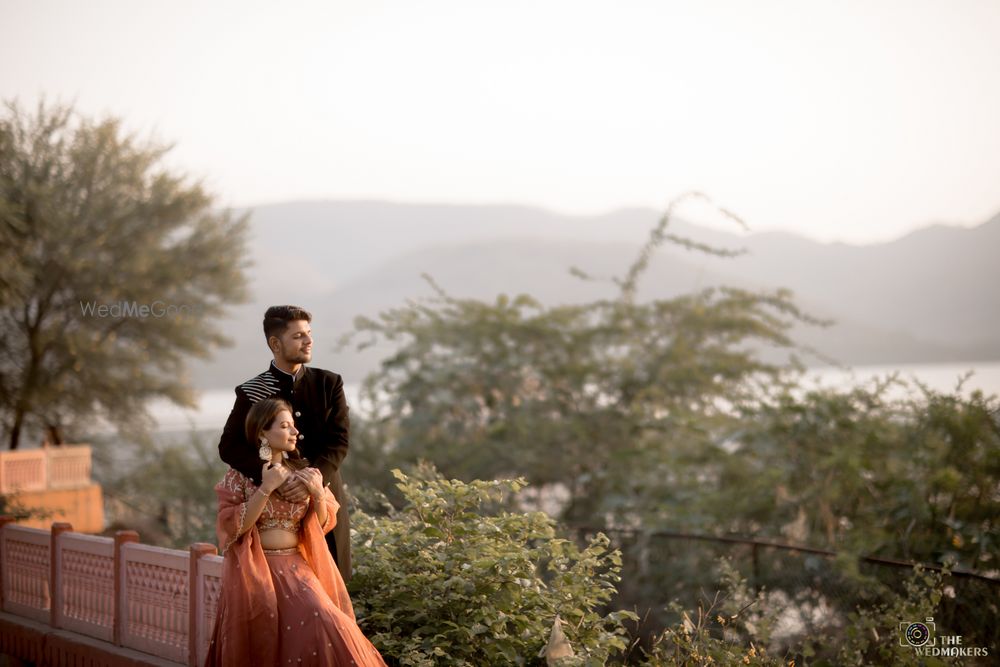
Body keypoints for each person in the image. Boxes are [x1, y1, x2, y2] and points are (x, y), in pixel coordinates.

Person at [206, 397, 386, 666]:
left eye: (294, 426)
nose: (295, 432)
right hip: (256, 571)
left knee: (325, 618)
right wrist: (266, 488)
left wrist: (316, 493)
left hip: (296, 567)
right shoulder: (240, 476)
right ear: (263, 433)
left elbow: (323, 524)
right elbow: (234, 528)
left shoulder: (306, 474)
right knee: (266, 641)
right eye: (285, 426)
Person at [219, 305, 352, 581]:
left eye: (309, 334)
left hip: (322, 498)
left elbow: (338, 442)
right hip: (274, 513)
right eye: (298, 336)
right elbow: (229, 446)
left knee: (333, 586)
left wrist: (310, 480)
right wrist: (273, 477)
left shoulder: (329, 383)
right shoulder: (253, 391)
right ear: (275, 344)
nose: (308, 341)